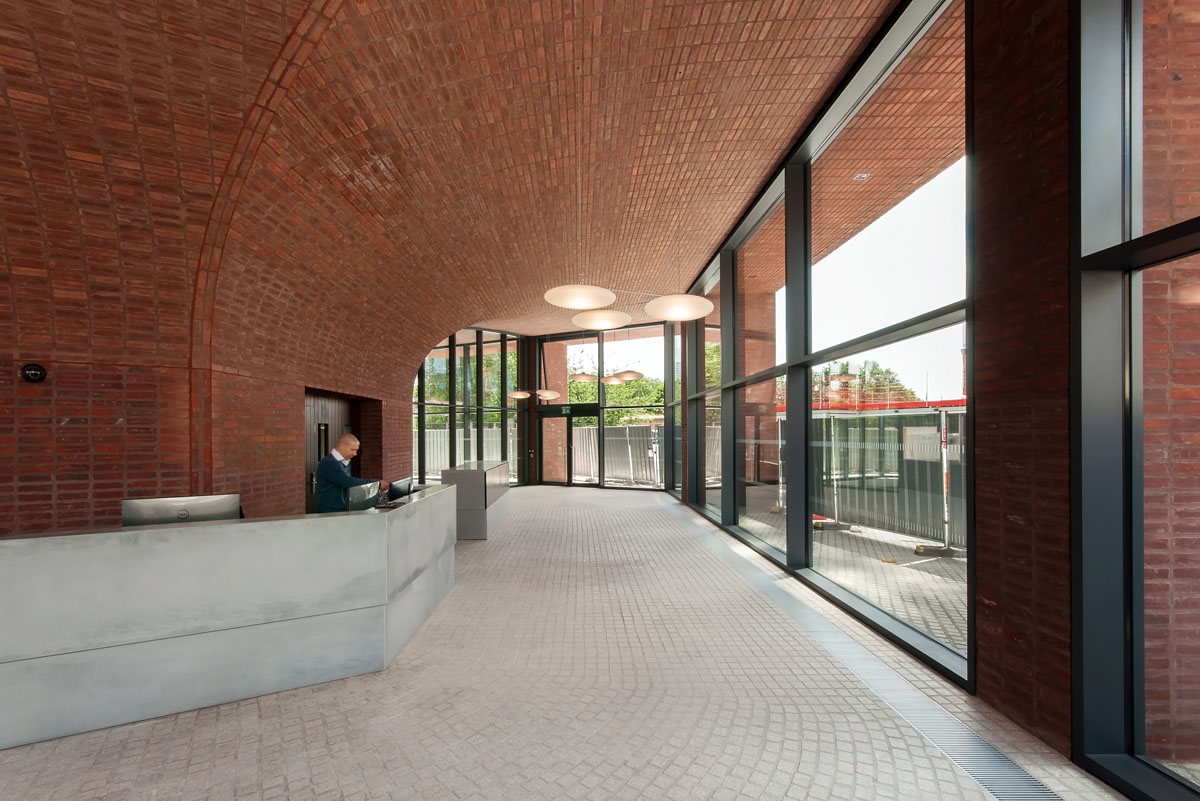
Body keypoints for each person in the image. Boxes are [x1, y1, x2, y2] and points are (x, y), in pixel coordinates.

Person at [315, 434, 389, 513]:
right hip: (330, 512)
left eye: (356, 450)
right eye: (352, 450)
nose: (355, 454)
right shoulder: (329, 463)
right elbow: (348, 482)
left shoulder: (342, 462)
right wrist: (376, 483)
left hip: (340, 510)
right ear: (342, 446)